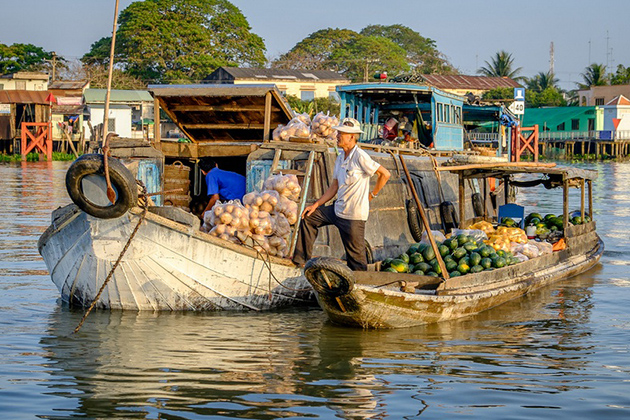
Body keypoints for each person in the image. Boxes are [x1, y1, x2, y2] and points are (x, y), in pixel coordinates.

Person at [292, 117, 391, 271]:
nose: (337, 136)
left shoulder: (360, 156)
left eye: (341, 134)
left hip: (353, 216)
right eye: (338, 133)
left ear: (352, 137)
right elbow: (334, 187)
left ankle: (362, 286)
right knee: (309, 217)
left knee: (357, 262)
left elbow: (384, 174)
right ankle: (300, 261)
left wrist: (372, 195)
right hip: (337, 210)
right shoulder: (340, 158)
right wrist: (316, 205)